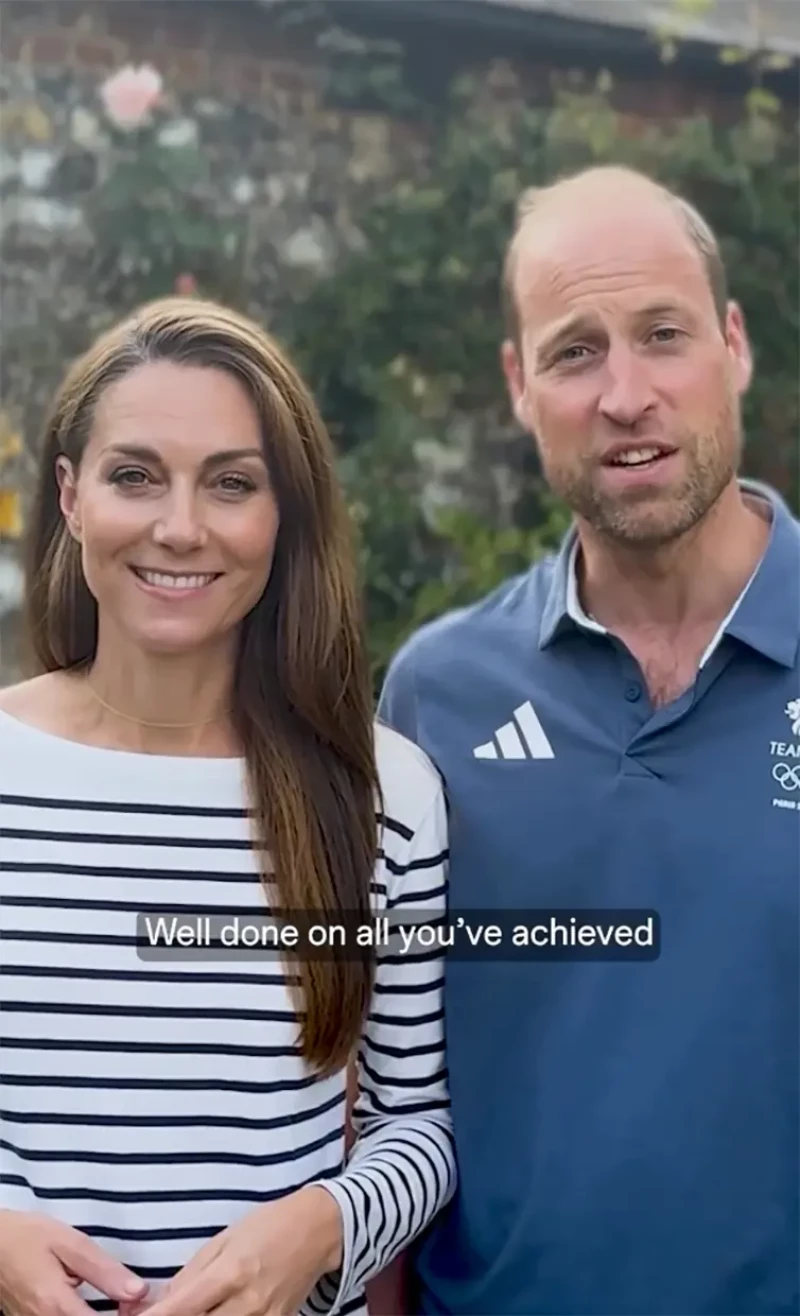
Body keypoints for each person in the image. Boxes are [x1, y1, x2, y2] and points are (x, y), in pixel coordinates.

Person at [378, 165, 799, 1315]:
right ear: (519, 384)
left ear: (732, 345)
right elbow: (376, 1080)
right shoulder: (434, 696)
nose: (624, 394)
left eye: (661, 335)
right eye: (573, 351)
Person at [0, 296, 455, 1316]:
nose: (179, 526)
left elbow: (417, 1120)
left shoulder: (383, 797)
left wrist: (320, 1223)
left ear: (281, 516)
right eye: (134, 475)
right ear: (70, 497)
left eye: (231, 484)